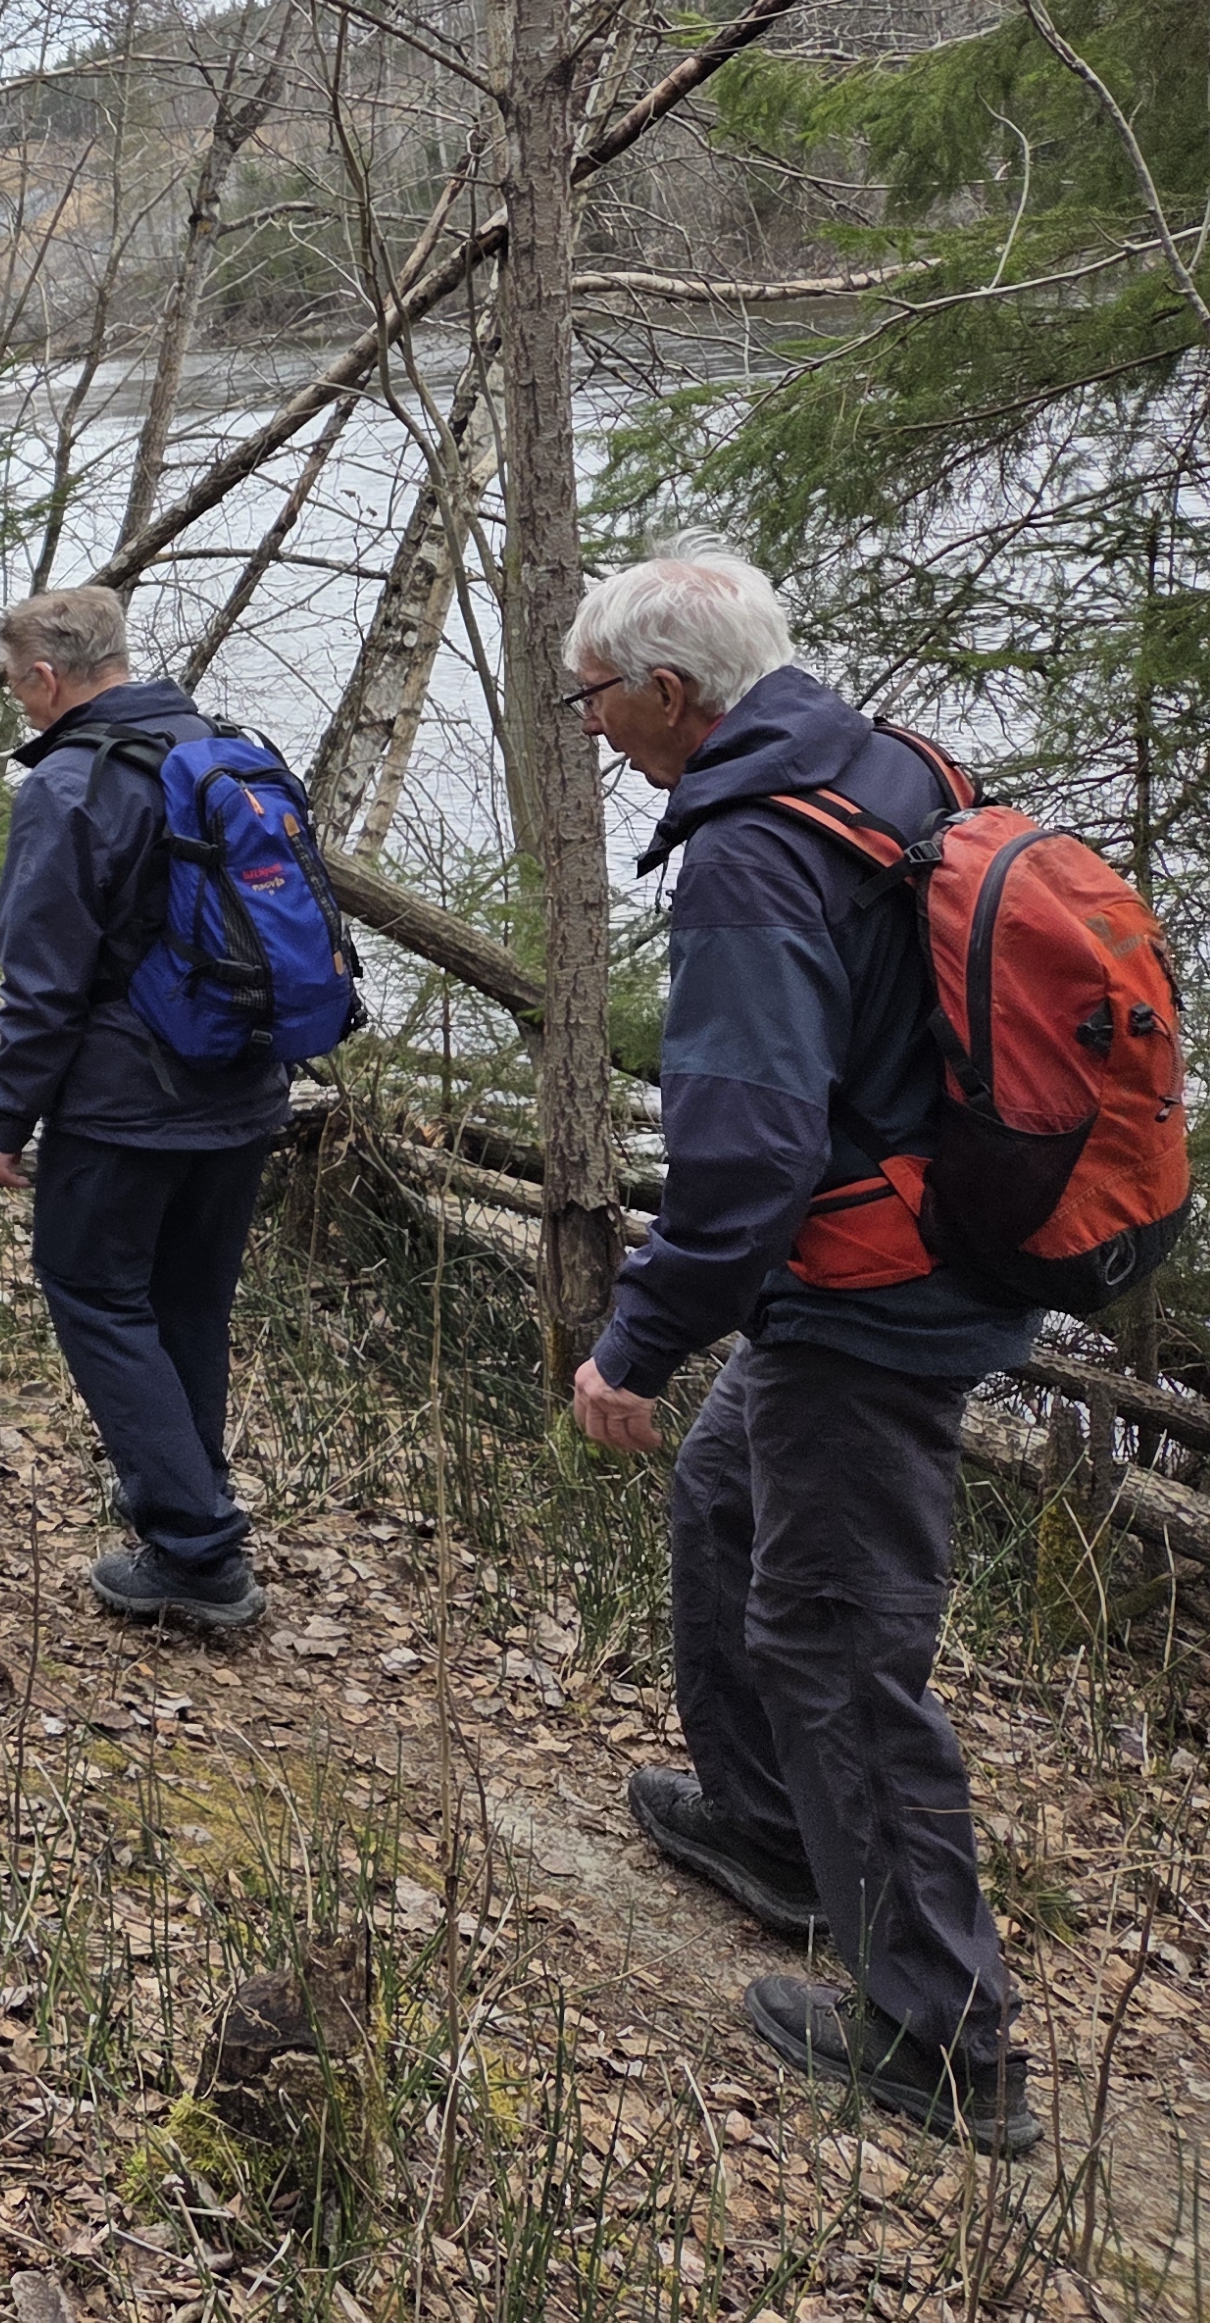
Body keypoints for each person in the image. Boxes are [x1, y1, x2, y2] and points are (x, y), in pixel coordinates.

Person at [562, 549, 1039, 2155]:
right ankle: (770, 1833)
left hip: (872, 1291)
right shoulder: (882, 758)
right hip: (906, 1248)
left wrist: (632, 1341)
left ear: (671, 694)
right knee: (722, 1496)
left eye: (598, 701)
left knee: (838, 1639)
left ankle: (942, 2036)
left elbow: (748, 1157)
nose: (597, 730)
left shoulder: (753, 852)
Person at [0, 583, 294, 1635]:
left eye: (14, 685)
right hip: (245, 1090)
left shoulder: (69, 786)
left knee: (94, 1292)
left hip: (127, 1105)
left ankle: (197, 1551)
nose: (16, 703)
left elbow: (43, 978)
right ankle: (188, 1505)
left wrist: (7, 1114)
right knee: (186, 1306)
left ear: (44, 677)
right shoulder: (216, 748)